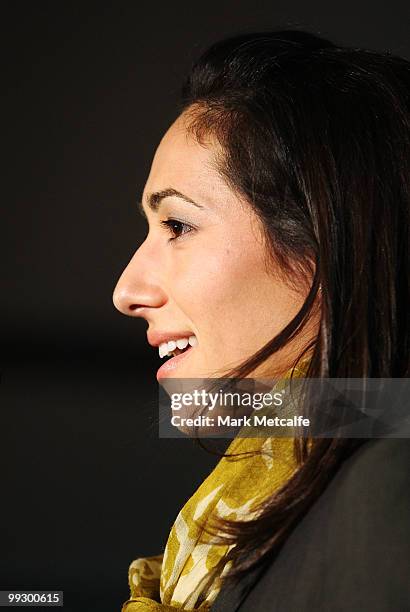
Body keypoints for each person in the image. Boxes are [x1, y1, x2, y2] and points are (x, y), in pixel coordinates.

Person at [112, 29, 410, 611]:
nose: (127, 290)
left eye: (178, 226)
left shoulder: (386, 493)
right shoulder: (282, 498)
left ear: (326, 243)